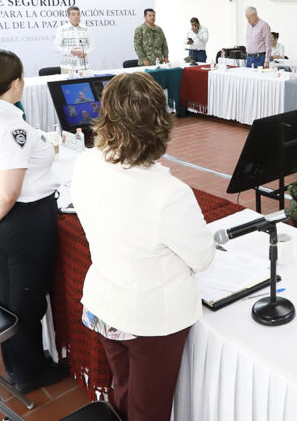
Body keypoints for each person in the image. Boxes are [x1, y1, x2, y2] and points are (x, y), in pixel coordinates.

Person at [71, 72, 215, 421]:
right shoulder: (168, 193)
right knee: (149, 410)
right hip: (150, 318)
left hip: (106, 302)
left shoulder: (86, 161)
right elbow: (203, 257)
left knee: (125, 390)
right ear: (160, 123)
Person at [0, 49, 69, 394]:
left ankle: (17, 364)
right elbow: (11, 192)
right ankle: (29, 373)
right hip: (24, 220)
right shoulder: (10, 127)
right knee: (27, 300)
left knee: (10, 297)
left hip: (1, 214)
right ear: (17, 83)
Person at [54, 5, 91, 73]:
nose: (76, 16)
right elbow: (56, 47)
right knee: (67, 84)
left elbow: (92, 46)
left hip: (83, 66)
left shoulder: (86, 29)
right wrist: (70, 51)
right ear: (68, 16)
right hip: (67, 67)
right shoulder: (62, 29)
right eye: (73, 14)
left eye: (78, 14)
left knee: (83, 84)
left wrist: (86, 52)